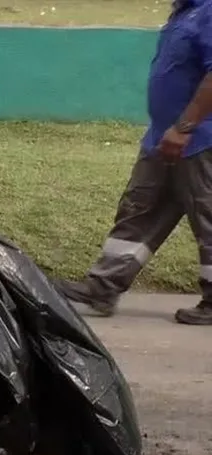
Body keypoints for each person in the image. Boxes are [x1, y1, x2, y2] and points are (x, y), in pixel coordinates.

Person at [57, 0, 212, 324]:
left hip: (199, 138)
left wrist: (185, 127)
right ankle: (103, 286)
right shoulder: (186, 11)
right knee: (139, 207)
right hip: (163, 136)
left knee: (207, 214)